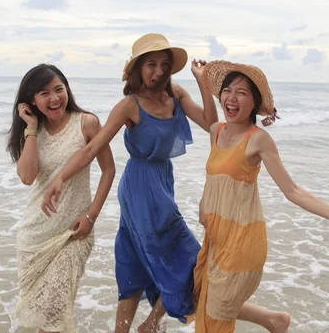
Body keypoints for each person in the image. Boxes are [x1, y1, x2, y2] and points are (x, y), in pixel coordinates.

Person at [42, 33, 218, 332]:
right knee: (193, 258)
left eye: (164, 64)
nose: (159, 71)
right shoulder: (129, 105)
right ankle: (149, 325)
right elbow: (90, 148)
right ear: (137, 67)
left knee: (136, 258)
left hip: (163, 182)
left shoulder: (175, 93)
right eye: (151, 64)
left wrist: (203, 82)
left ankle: (130, 329)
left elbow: (213, 127)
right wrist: (60, 177)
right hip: (140, 189)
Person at [193, 60, 329, 333]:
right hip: (216, 236)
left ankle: (274, 321)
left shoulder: (258, 140)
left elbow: (292, 191)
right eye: (227, 90)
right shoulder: (217, 131)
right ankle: (274, 321)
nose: (232, 98)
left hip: (242, 241)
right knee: (205, 301)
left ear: (254, 102)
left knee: (217, 317)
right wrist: (201, 81)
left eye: (242, 93)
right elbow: (213, 170)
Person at [6, 64, 115, 333]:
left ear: (67, 89)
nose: (54, 98)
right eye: (45, 93)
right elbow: (27, 177)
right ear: (32, 101)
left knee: (53, 310)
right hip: (35, 236)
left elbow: (109, 170)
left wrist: (91, 216)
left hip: (73, 233)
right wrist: (31, 126)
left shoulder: (86, 123)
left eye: (59, 89)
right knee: (41, 319)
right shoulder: (33, 131)